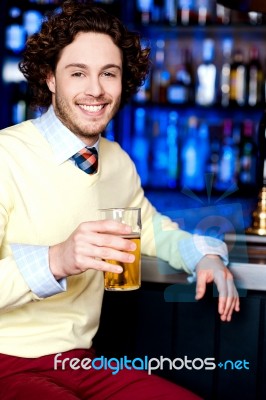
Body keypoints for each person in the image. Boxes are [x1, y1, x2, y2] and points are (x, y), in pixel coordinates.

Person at [0, 1, 239, 399]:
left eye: (108, 73)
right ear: (51, 78)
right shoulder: (5, 156)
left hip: (80, 361)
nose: (95, 89)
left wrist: (205, 256)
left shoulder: (116, 162)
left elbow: (153, 228)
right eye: (78, 73)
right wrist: (57, 258)